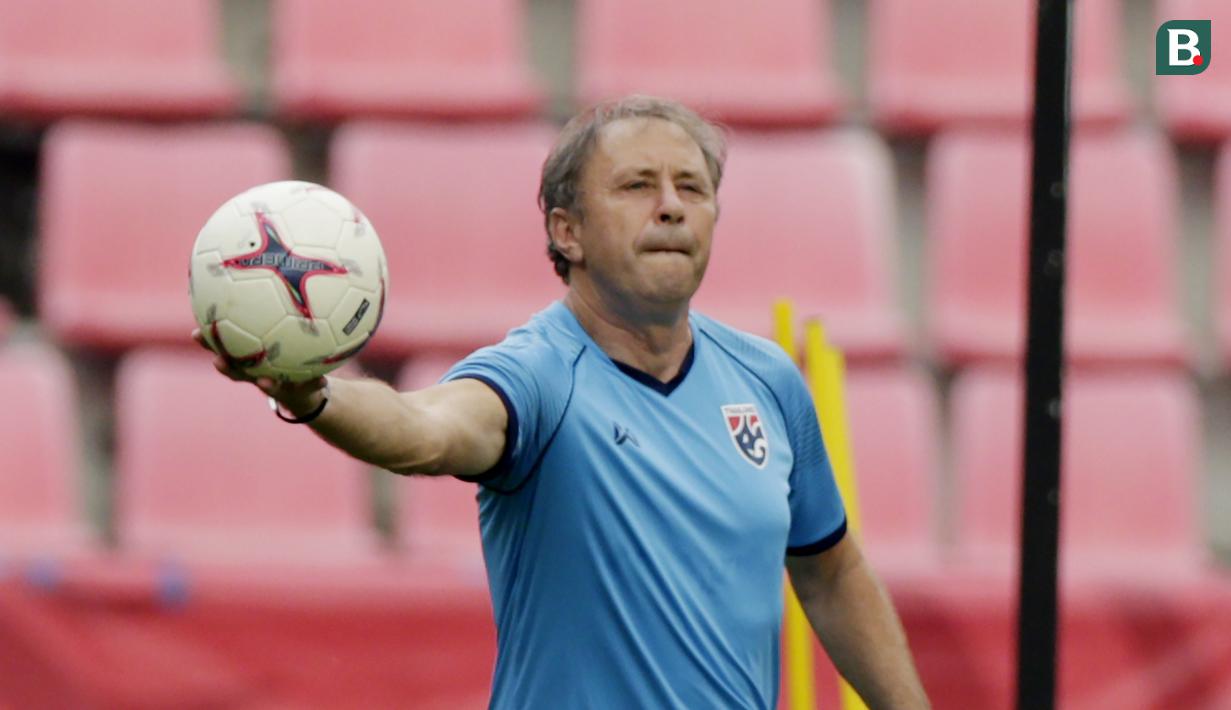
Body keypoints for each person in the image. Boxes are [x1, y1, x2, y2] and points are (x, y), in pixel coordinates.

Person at [194, 95, 930, 709]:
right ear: (565, 231)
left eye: (692, 187)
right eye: (638, 185)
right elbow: (421, 431)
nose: (671, 207)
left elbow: (830, 572)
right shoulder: (537, 376)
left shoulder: (767, 379)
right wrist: (313, 396)